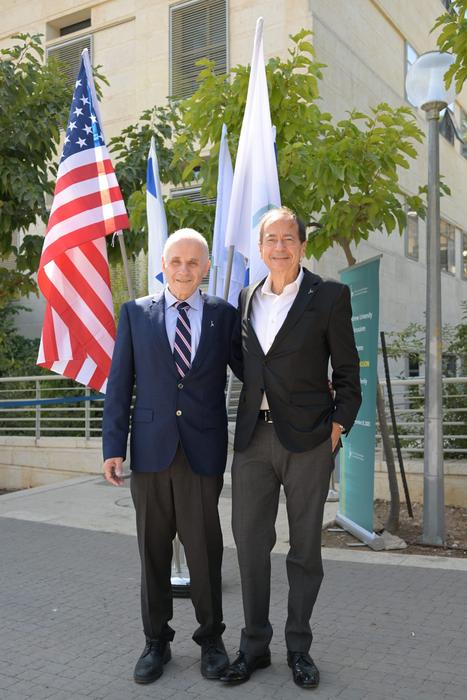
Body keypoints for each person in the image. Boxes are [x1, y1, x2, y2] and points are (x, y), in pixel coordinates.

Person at [220, 207, 361, 689]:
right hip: (252, 440)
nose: (278, 247)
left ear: (301, 245)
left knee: (305, 550)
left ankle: (299, 648)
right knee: (250, 545)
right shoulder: (244, 297)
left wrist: (336, 428)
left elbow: (348, 375)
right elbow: (246, 363)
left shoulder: (329, 297)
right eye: (270, 239)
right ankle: (254, 648)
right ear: (259, 249)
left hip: (308, 442)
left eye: (287, 238)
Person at [102, 229, 237, 684]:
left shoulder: (223, 316)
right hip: (151, 451)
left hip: (202, 451)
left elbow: (254, 371)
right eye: (175, 261)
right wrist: (112, 448)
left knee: (205, 552)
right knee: (153, 552)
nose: (183, 269)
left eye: (193, 262)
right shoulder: (136, 313)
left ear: (205, 268)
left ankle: (211, 640)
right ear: (162, 264)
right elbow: (119, 383)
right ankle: (155, 641)